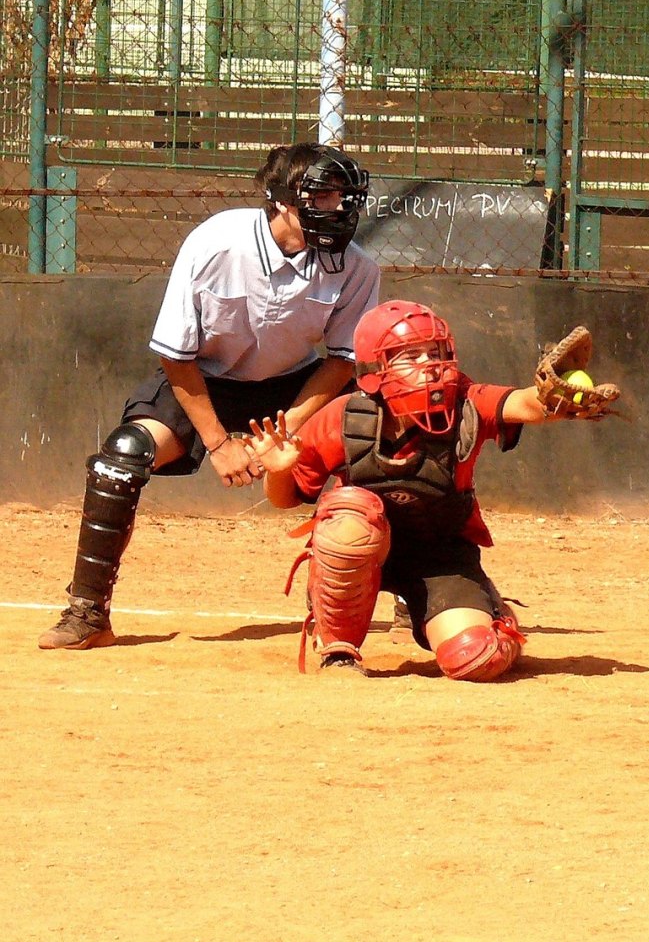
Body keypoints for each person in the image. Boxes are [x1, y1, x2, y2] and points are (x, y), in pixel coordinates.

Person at [39, 142, 380, 651]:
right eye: (325, 196)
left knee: (367, 443)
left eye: (347, 198)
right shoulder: (216, 244)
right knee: (123, 456)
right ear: (283, 199)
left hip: (294, 384)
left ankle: (351, 608)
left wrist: (286, 429)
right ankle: (87, 613)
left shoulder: (355, 267)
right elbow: (176, 355)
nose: (341, 210)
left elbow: (343, 360)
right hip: (204, 381)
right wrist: (220, 444)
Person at [243, 299, 612, 682]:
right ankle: (338, 649)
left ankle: (496, 622)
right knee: (348, 519)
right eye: (411, 356)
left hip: (440, 553)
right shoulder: (344, 416)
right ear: (375, 371)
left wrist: (551, 399)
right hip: (364, 547)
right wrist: (278, 471)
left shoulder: (465, 402)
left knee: (474, 659)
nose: (430, 366)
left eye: (436, 353)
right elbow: (284, 499)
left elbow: (518, 403)